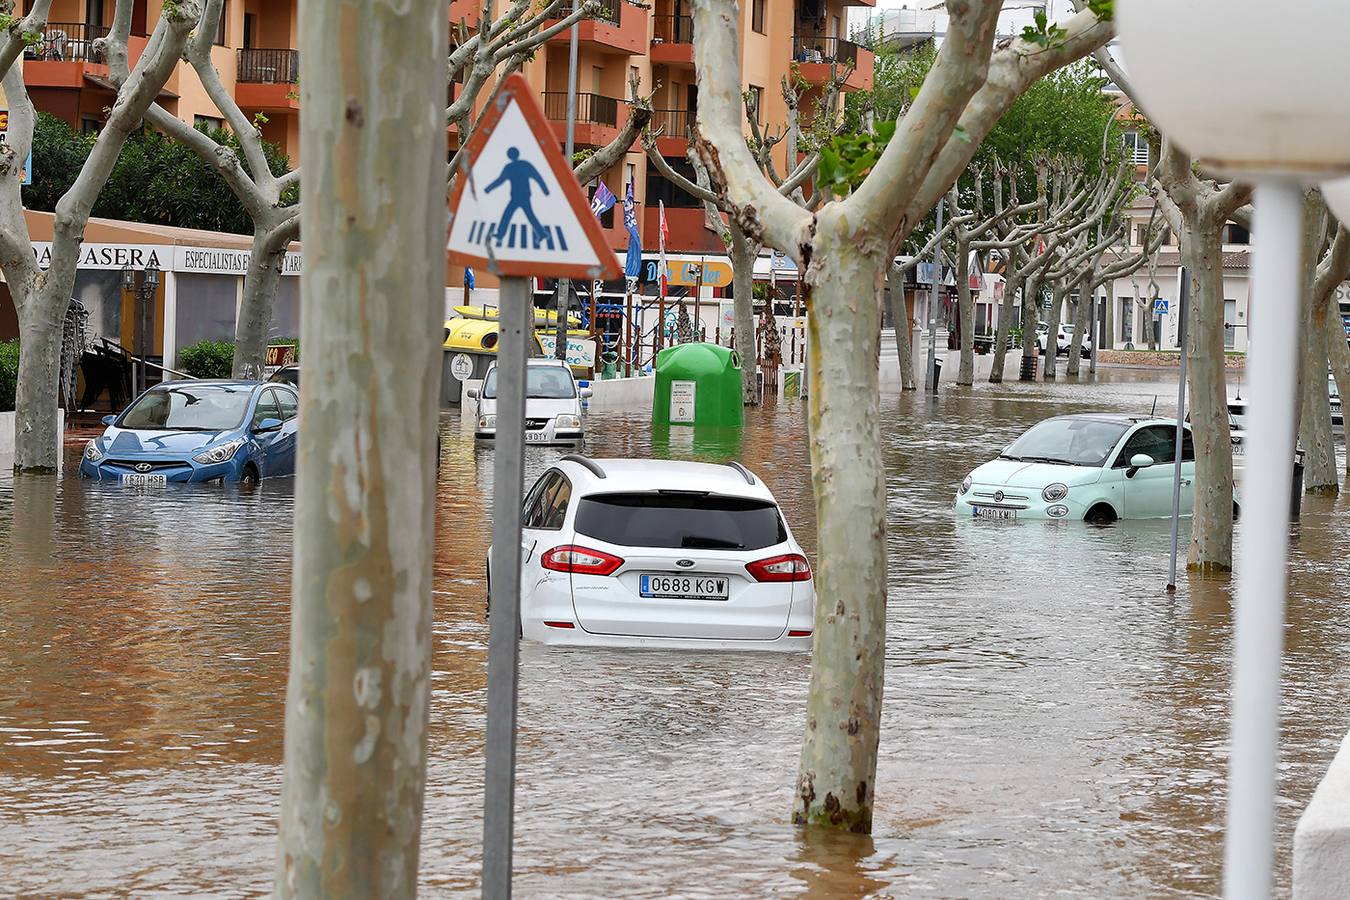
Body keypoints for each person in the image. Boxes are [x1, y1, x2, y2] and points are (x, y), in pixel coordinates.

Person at [485, 147, 549, 244]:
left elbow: (537, 177)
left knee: (513, 215)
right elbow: (538, 178)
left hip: (522, 196)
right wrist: (489, 188)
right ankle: (500, 234)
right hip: (517, 197)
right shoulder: (521, 165)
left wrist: (545, 190)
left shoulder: (514, 167)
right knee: (514, 215)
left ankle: (500, 234)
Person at [757, 307, 781, 393]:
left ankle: (771, 388)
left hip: (772, 355)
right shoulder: (766, 329)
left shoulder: (772, 333)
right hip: (769, 355)